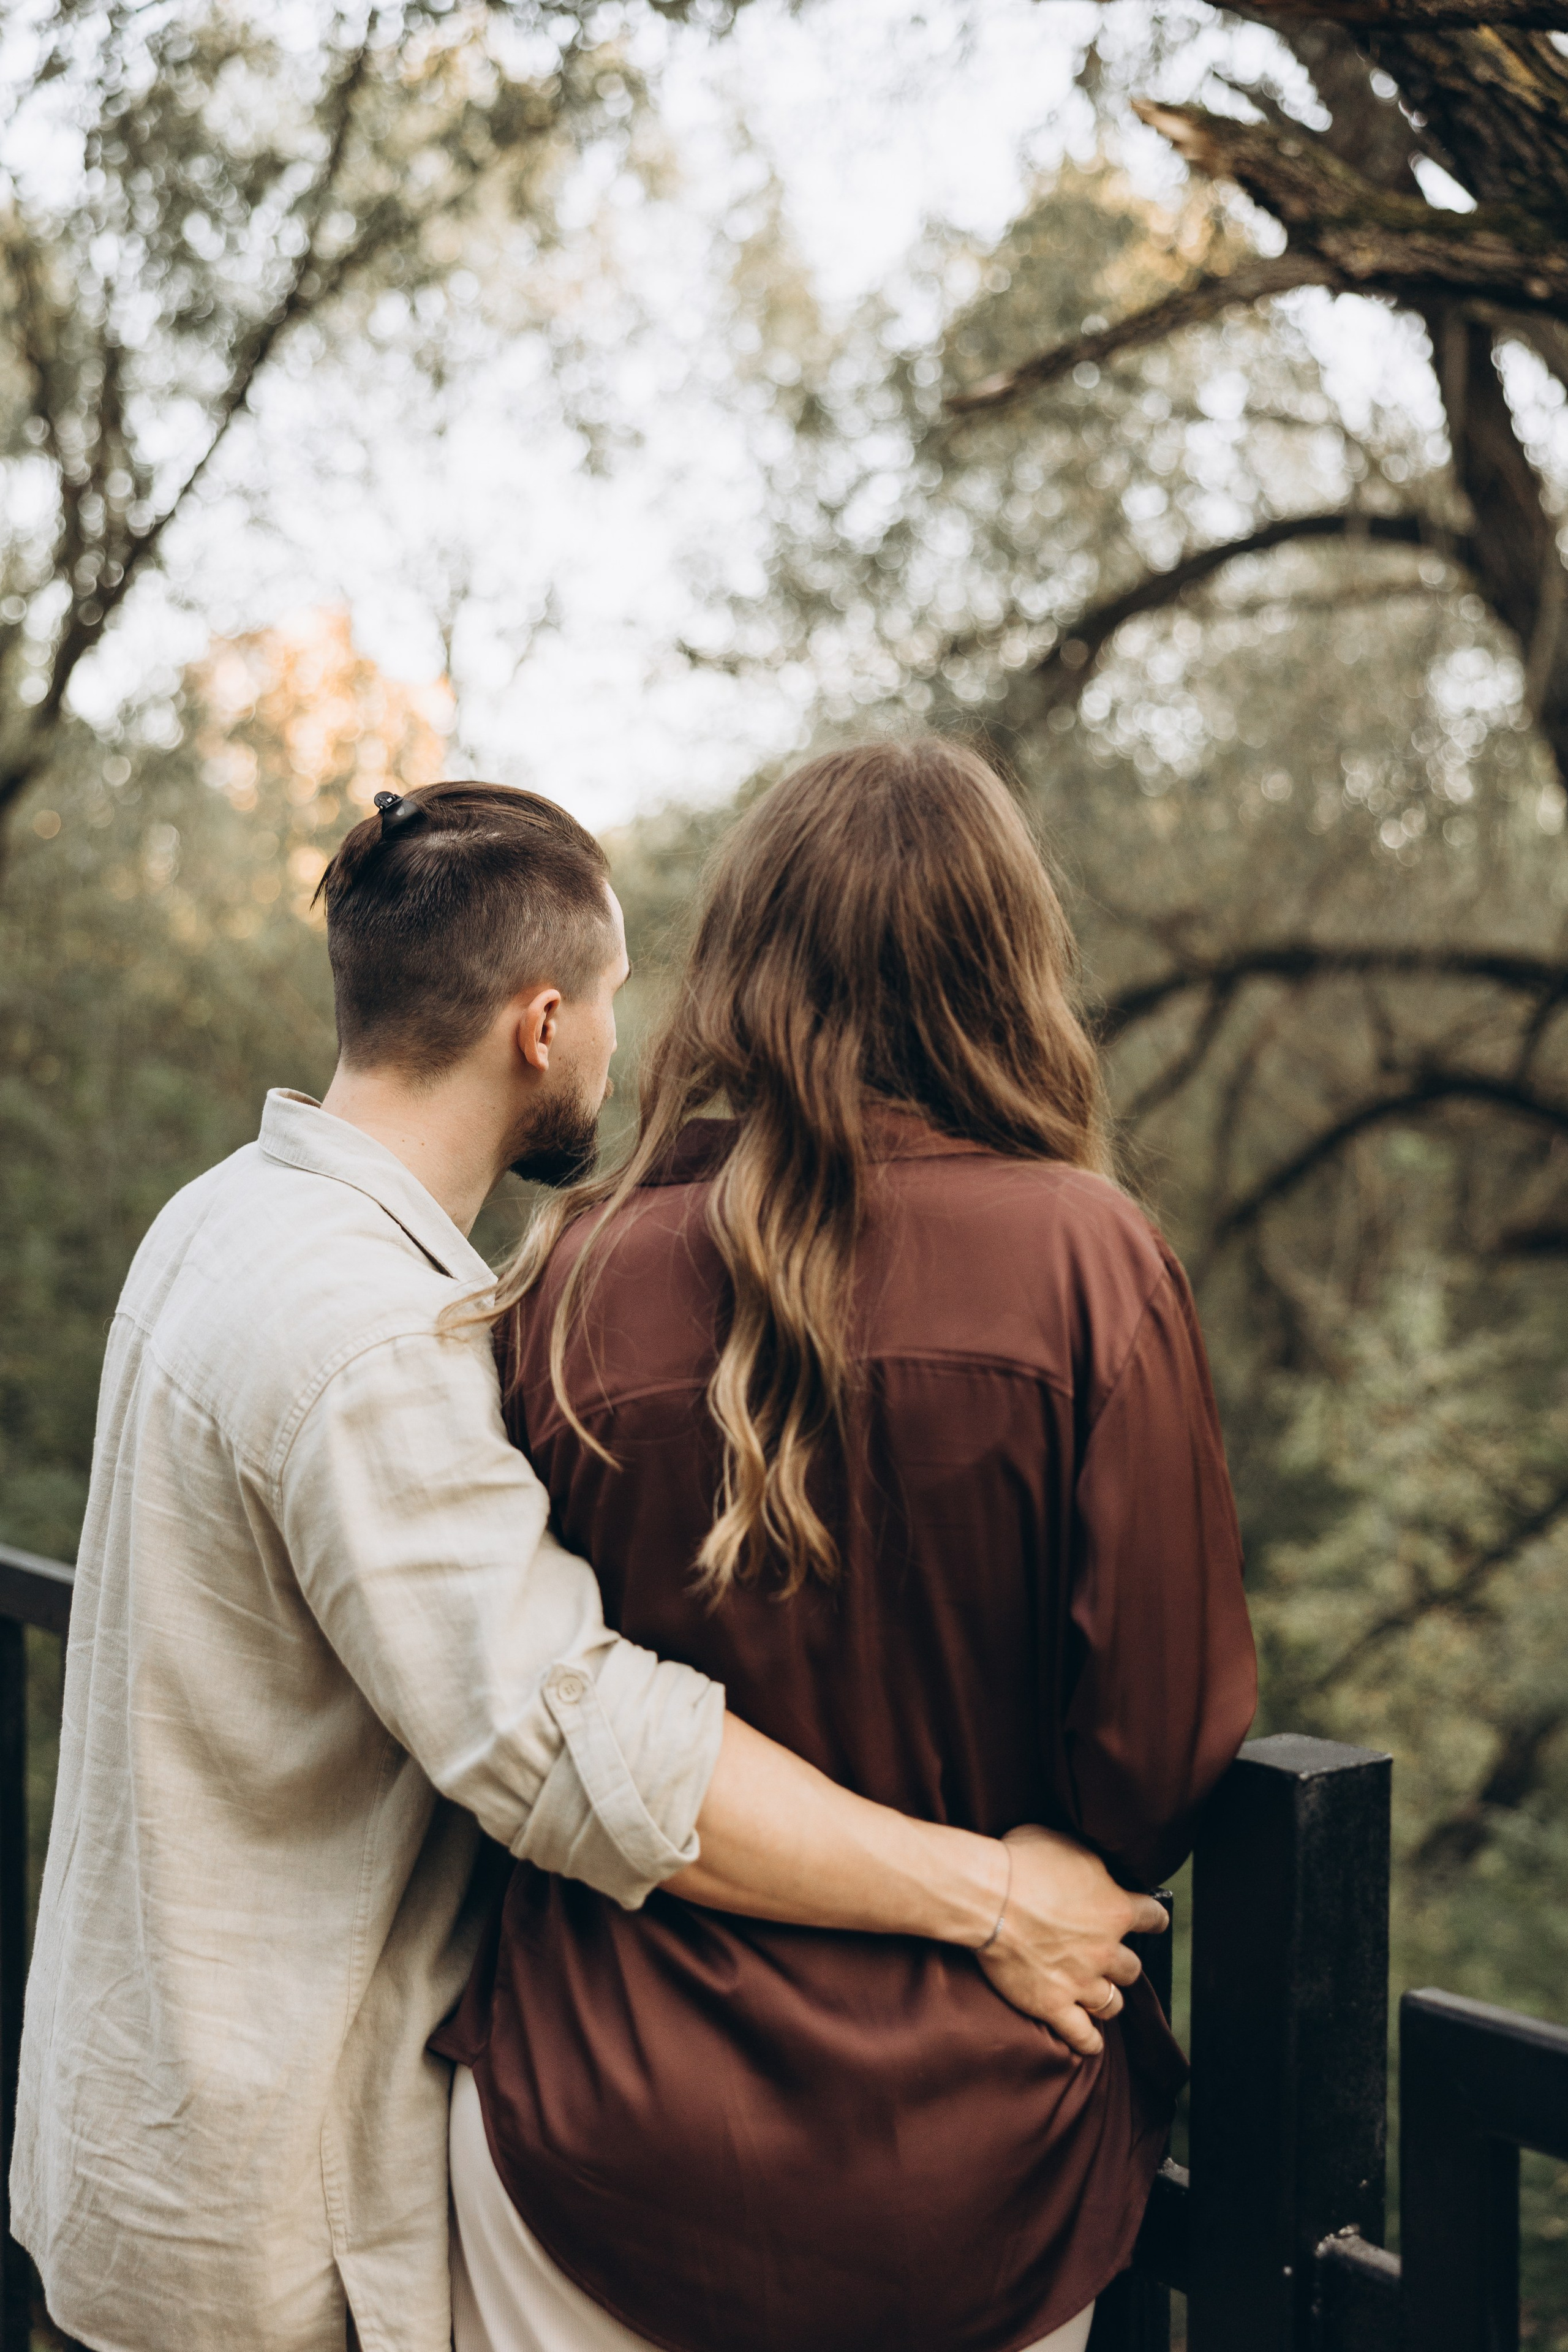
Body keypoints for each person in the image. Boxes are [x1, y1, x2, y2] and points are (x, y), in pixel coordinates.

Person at [12, 780, 1161, 2352]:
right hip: (267, 2201)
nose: (627, 1053)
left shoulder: (219, 1221)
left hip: (143, 2120)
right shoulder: (363, 1338)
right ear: (539, 1026)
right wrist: (990, 1897)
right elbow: (569, 1741)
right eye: (617, 1003)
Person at [437, 741, 1257, 2352]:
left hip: (599, 2138)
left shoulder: (571, 1281)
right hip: (978, 2162)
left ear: (738, 963)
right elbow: (1152, 1768)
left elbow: (529, 1702)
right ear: (1005, 964)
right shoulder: (1095, 1264)